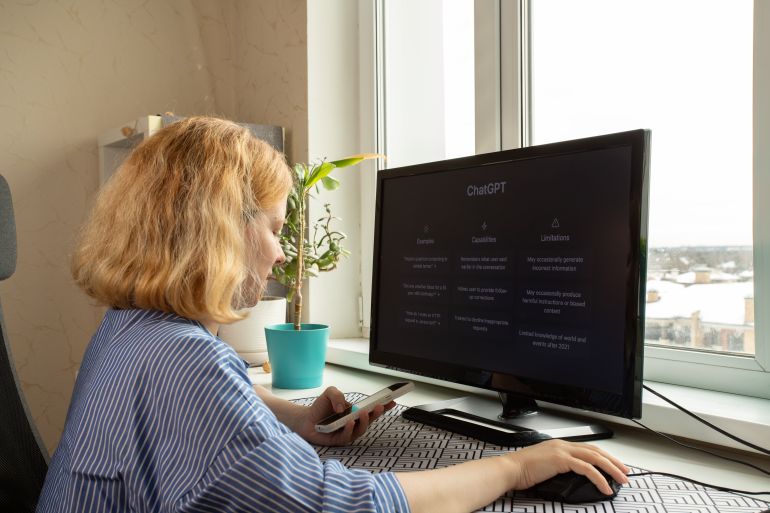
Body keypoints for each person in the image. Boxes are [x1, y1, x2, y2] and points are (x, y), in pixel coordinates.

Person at [37, 116, 628, 513]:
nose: (279, 251)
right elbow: (342, 504)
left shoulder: (133, 332)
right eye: (272, 228)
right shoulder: (182, 360)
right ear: (217, 232)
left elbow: (195, 405)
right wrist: (513, 469)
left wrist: (297, 420)